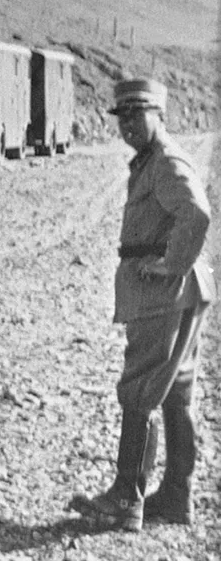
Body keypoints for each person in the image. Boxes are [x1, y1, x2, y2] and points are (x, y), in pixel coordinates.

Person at [69, 78, 212, 531]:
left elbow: (196, 212)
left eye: (137, 114)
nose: (128, 124)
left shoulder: (165, 161)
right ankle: (175, 497)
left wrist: (171, 265)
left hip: (165, 293)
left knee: (140, 390)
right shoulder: (152, 159)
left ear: (159, 114)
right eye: (122, 117)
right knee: (175, 394)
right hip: (183, 291)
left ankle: (126, 499)